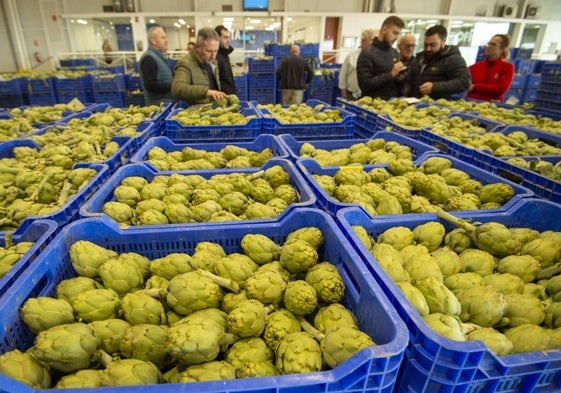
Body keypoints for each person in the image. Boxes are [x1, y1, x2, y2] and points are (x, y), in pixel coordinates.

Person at [412, 24, 471, 100]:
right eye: (426, 45)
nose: (428, 49)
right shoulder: (421, 58)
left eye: (432, 45)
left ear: (443, 41)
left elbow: (464, 82)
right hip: (416, 103)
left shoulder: (453, 59)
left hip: (437, 107)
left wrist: (435, 87)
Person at [356, 15, 408, 100]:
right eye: (394, 33)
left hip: (390, 105)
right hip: (372, 107)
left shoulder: (394, 53)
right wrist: (391, 74)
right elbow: (365, 85)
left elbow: (392, 83)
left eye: (398, 34)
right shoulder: (367, 54)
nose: (396, 38)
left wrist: (400, 78)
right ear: (384, 30)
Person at [172, 27, 227, 105]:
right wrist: (206, 92)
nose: (213, 56)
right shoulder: (185, 63)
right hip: (196, 113)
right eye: (209, 51)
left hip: (212, 111)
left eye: (216, 51)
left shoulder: (213, 62)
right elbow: (177, 88)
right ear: (198, 47)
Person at [466, 34, 514, 102]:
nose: (489, 46)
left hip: (491, 107)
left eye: (494, 44)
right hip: (470, 105)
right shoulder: (474, 67)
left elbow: (500, 89)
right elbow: (466, 85)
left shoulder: (507, 68)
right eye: (489, 44)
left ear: (502, 49)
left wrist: (475, 87)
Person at [139, 26, 175, 105]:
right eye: (163, 38)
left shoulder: (159, 56)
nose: (166, 41)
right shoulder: (148, 58)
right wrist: (173, 86)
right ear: (153, 41)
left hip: (166, 103)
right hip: (158, 107)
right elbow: (150, 85)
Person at [338, 29, 376, 100]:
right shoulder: (352, 55)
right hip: (351, 95)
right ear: (363, 41)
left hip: (367, 96)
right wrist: (344, 95)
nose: (373, 43)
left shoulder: (375, 57)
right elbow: (343, 75)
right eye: (371, 40)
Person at [214, 25, 236, 95]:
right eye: (225, 37)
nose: (228, 40)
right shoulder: (214, 57)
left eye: (229, 37)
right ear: (217, 38)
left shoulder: (225, 54)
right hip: (221, 99)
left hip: (229, 97)